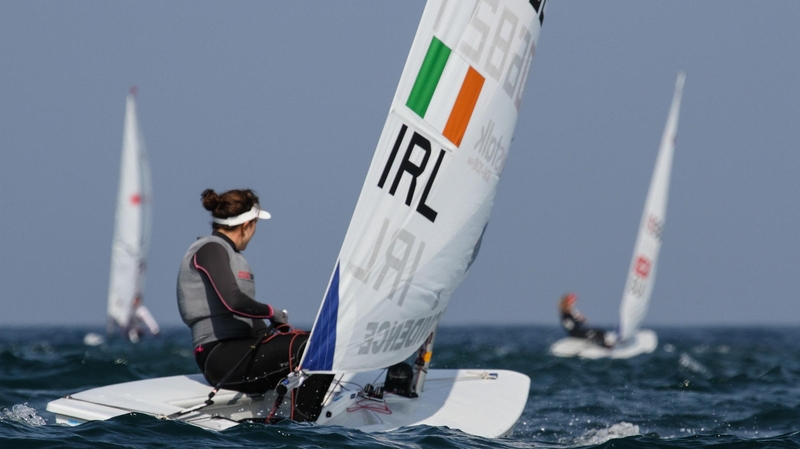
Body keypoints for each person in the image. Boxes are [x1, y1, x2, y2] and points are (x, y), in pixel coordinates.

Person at [177, 188, 332, 422]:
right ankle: (305, 432)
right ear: (247, 224)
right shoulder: (210, 249)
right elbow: (234, 303)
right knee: (311, 349)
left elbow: (247, 318)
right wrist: (273, 312)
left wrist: (274, 330)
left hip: (242, 348)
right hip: (216, 356)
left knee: (321, 343)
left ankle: (304, 416)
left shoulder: (232, 254)